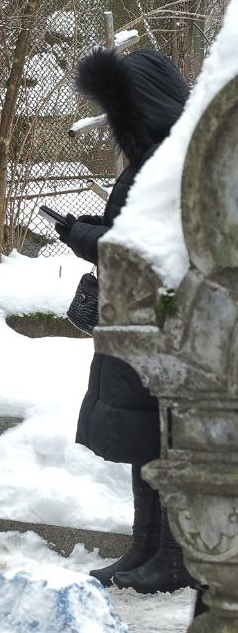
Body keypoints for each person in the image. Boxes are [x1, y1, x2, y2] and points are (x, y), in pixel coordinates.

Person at [60, 47, 195, 594]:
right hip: (140, 324)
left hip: (167, 327)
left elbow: (148, 248)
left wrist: (81, 237)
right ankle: (145, 546)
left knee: (166, 442)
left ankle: (174, 555)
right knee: (146, 438)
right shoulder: (153, 163)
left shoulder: (174, 167)